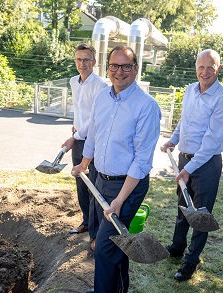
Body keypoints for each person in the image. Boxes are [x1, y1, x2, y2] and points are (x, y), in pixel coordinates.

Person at [71, 45, 161, 293]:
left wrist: (120, 200)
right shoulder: (102, 96)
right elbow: (93, 136)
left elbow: (142, 160)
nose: (119, 72)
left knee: (103, 246)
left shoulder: (146, 106)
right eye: (114, 66)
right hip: (101, 179)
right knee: (116, 244)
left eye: (125, 66)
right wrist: (84, 164)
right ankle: (116, 288)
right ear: (107, 68)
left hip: (127, 187)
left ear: (136, 69)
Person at [161, 49, 223, 282]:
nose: (205, 72)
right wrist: (174, 139)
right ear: (196, 67)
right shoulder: (191, 90)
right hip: (185, 159)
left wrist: (189, 169)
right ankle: (177, 246)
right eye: (201, 67)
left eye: (210, 67)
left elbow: (212, 142)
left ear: (218, 69)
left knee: (200, 215)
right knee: (184, 208)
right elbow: (185, 120)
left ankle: (191, 261)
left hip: (205, 164)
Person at [62, 43, 108, 251]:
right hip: (78, 138)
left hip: (94, 142)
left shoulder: (101, 86)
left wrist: (75, 136)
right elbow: (79, 110)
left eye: (86, 60)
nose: (82, 63)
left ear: (94, 62)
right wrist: (75, 130)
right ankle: (86, 221)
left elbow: (96, 118)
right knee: (81, 183)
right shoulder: (74, 81)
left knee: (93, 187)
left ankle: (95, 234)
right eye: (79, 59)